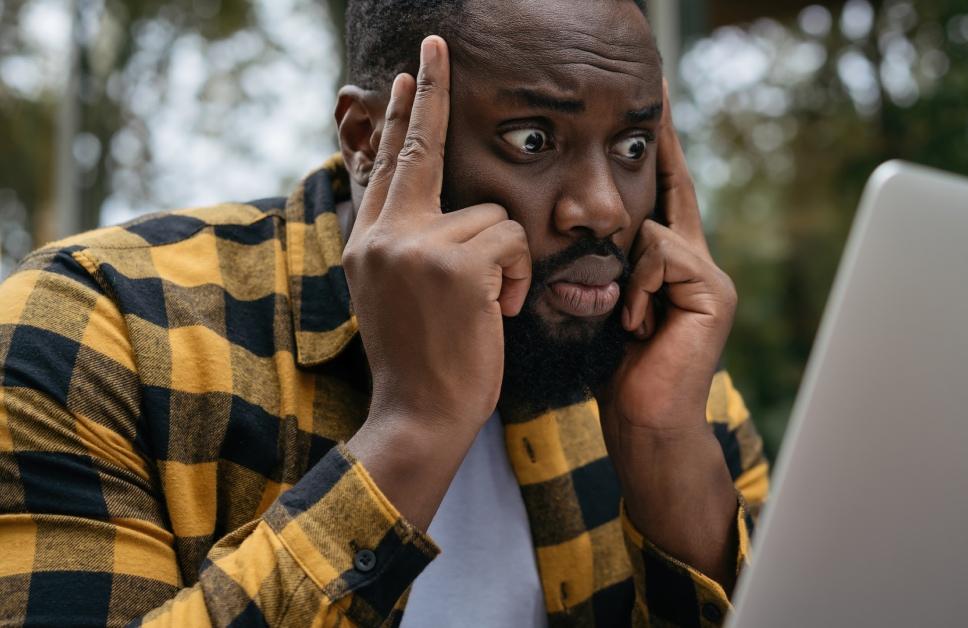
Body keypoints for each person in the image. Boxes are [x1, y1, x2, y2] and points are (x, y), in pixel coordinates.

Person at [0, 0, 768, 625]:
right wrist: (415, 427)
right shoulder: (96, 329)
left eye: (633, 146)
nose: (602, 209)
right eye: (533, 138)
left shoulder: (675, 383)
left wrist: (666, 450)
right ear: (370, 140)